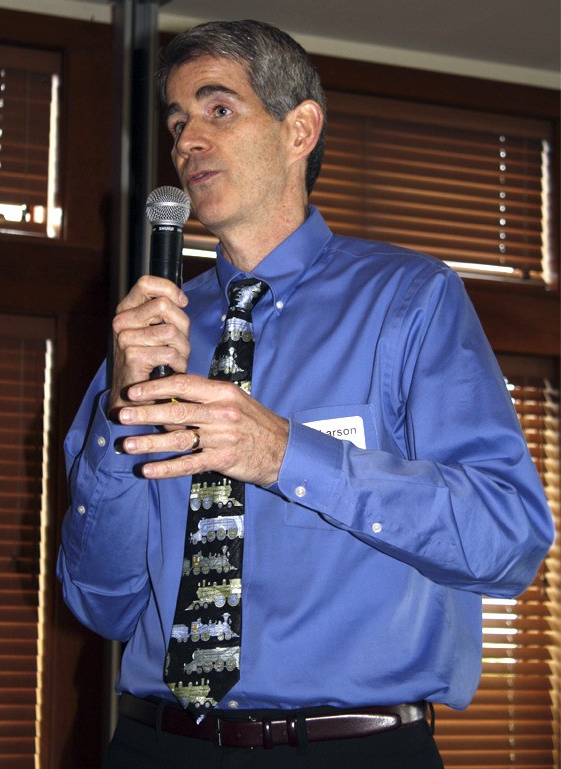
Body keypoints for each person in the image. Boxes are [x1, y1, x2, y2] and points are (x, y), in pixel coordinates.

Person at [57, 19, 554, 769]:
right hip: (156, 744)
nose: (188, 141)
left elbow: (506, 539)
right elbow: (102, 601)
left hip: (350, 749)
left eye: (219, 109)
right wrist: (117, 416)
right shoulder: (152, 332)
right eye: (177, 121)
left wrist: (286, 454)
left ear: (300, 129)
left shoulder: (410, 299)